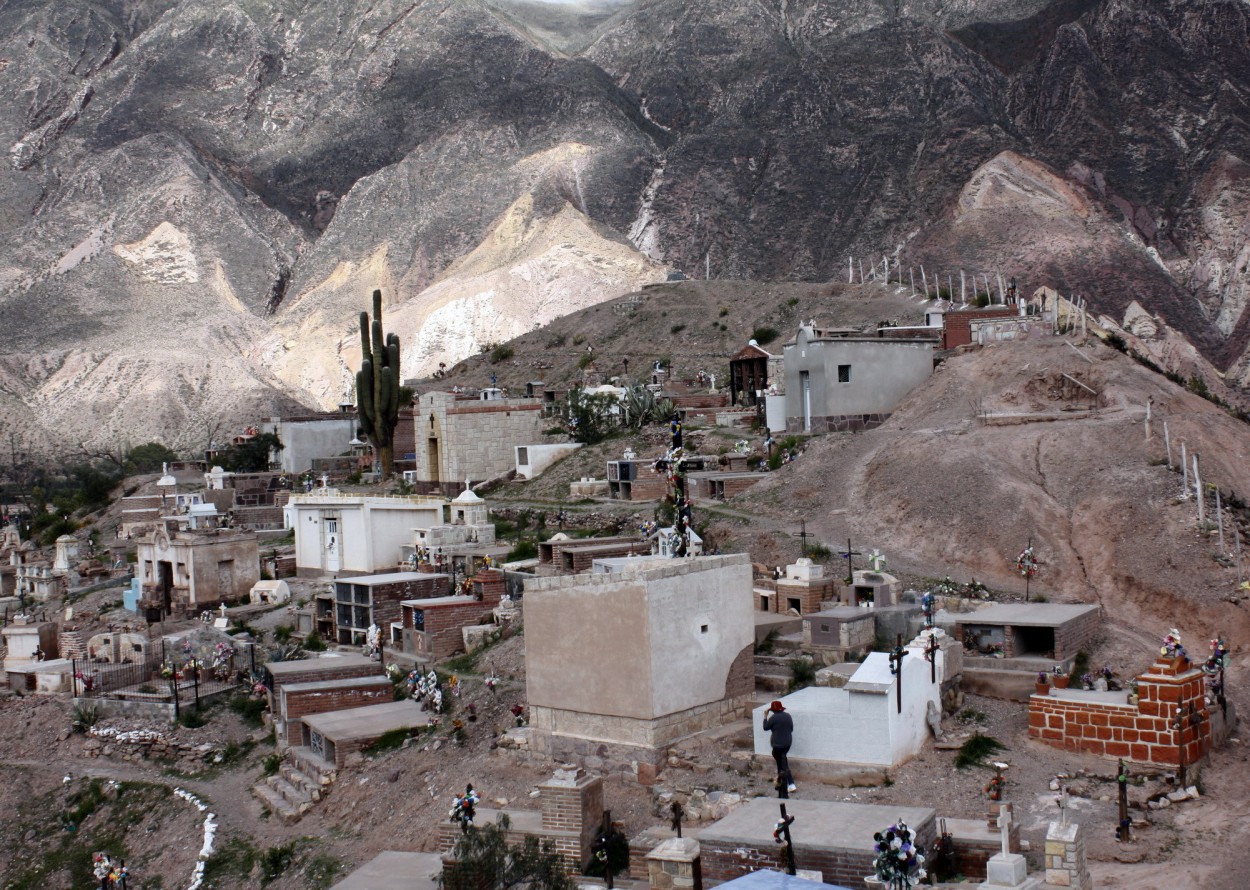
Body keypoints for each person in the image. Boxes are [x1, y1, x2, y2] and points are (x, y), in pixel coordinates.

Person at [763, 700, 796, 793]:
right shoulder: (788, 716)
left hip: (778, 745)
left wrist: (765, 717)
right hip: (788, 743)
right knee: (781, 760)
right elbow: (791, 728)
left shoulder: (773, 718)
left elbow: (765, 727)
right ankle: (780, 780)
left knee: (782, 762)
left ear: (773, 710)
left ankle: (791, 783)